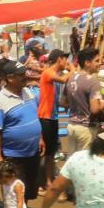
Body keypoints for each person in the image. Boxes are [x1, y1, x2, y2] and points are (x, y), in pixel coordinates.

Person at [0, 61, 44, 208]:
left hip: (32, 150)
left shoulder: (28, 92)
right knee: (13, 189)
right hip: (13, 154)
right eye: (21, 75)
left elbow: (34, 116)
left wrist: (40, 137)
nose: (25, 77)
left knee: (29, 185)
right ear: (10, 78)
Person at [37, 50, 72, 191]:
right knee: (43, 152)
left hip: (53, 117)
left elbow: (56, 99)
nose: (66, 63)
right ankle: (40, 182)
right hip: (45, 118)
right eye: (65, 59)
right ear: (59, 59)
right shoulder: (48, 72)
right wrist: (73, 69)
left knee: (51, 153)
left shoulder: (55, 75)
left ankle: (48, 181)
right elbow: (64, 79)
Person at [64, 49, 104, 154]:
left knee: (73, 162)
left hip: (71, 126)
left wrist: (79, 104)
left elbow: (62, 102)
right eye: (96, 61)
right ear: (87, 63)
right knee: (85, 163)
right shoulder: (93, 82)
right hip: (86, 129)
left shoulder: (71, 78)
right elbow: (94, 109)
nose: (99, 64)